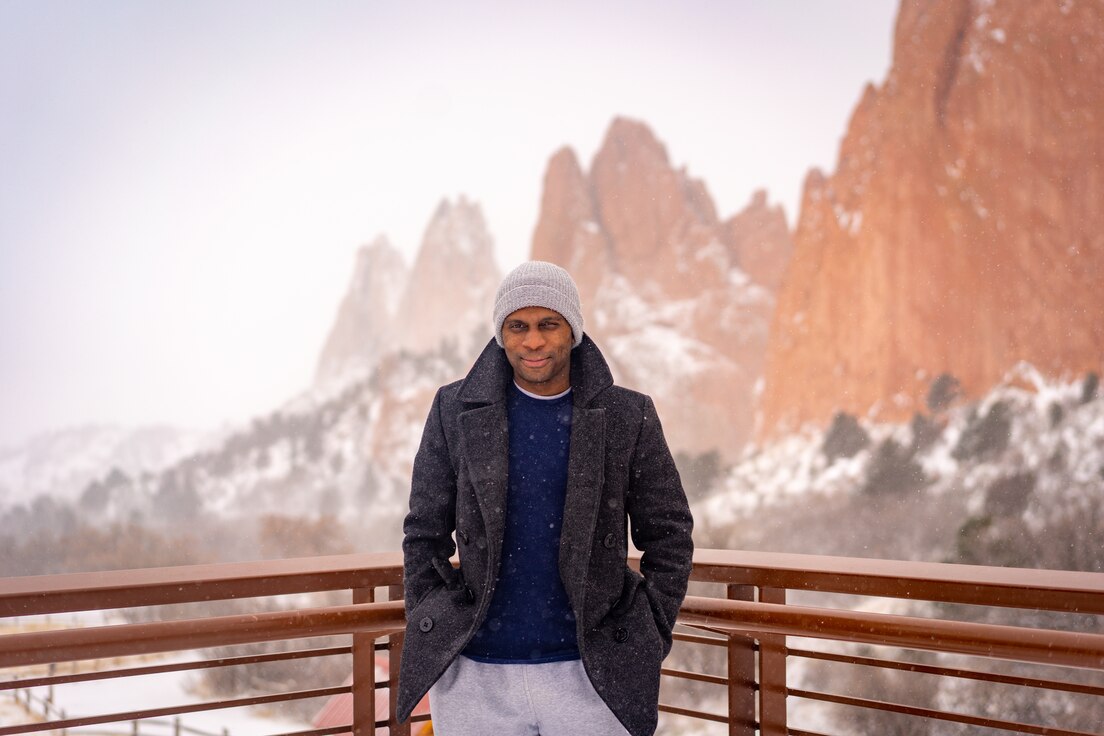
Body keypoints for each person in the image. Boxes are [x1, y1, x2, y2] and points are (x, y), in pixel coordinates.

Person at [397, 261, 693, 736]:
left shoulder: (625, 415)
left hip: (593, 673)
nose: (532, 342)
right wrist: (433, 614)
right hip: (475, 674)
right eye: (518, 326)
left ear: (572, 330)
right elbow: (423, 532)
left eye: (547, 325)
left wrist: (647, 631)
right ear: (501, 333)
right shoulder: (453, 410)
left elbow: (669, 534)